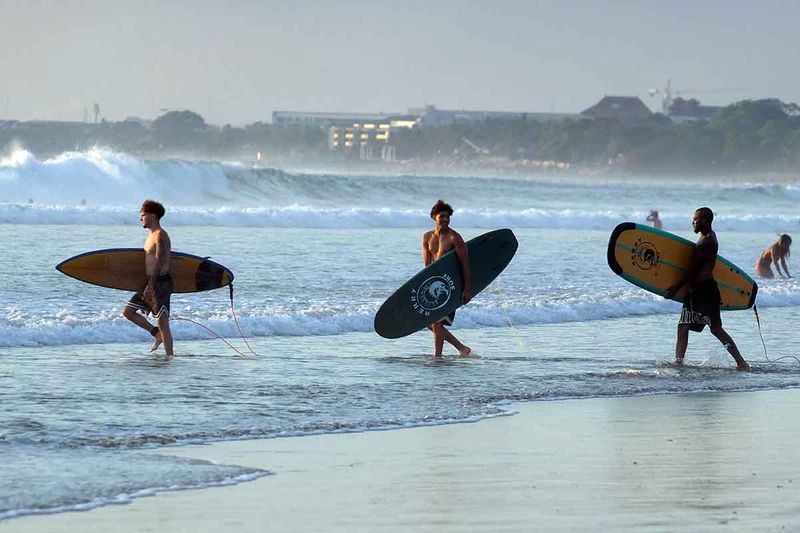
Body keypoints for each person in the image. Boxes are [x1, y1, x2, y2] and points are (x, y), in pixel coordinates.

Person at [666, 207, 749, 370]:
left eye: (695, 219)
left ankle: (741, 362)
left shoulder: (707, 241)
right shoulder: (707, 238)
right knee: (686, 327)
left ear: (704, 220)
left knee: (711, 329)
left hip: (703, 291)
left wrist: (676, 287)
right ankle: (679, 363)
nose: (692, 222)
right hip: (700, 290)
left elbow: (694, 270)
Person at [122, 199, 174, 356]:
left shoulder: (160, 236)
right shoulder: (150, 236)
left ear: (152, 216)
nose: (140, 218)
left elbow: (160, 261)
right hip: (150, 282)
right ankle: (156, 334)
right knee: (128, 312)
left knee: (163, 322)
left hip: (160, 282)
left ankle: (169, 356)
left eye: (143, 215)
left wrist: (151, 284)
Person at [422, 200, 472, 357]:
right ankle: (461, 348)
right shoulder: (427, 237)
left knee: (436, 322)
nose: (445, 219)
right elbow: (427, 267)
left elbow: (465, 264)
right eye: (441, 217)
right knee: (430, 323)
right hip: (435, 285)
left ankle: (437, 357)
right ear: (433, 217)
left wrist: (467, 289)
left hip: (451, 285)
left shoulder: (454, 238)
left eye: (447, 217)